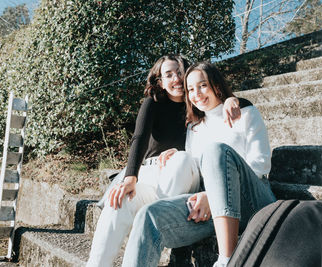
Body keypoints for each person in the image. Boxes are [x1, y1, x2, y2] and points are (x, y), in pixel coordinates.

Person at [86, 56, 246, 267]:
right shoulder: (153, 104)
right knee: (119, 201)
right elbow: (139, 138)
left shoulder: (197, 103)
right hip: (152, 174)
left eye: (180, 72)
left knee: (181, 158)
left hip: (185, 172)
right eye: (168, 74)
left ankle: (158, 226)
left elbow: (227, 104)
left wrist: (232, 100)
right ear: (160, 81)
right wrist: (130, 177)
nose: (176, 78)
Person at [120, 62, 276, 267]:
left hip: (254, 201)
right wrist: (179, 155)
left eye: (203, 85)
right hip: (212, 209)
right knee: (148, 215)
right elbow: (197, 170)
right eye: (190, 89)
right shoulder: (194, 126)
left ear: (216, 85)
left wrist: (213, 194)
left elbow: (261, 165)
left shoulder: (244, 112)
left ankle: (226, 260)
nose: (196, 94)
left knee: (215, 151)